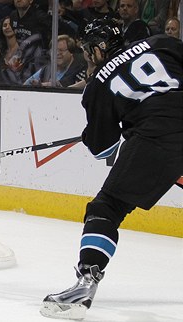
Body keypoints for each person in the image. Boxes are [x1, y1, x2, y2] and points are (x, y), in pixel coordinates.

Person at [40, 18, 183, 320]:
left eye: (89, 50)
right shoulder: (163, 43)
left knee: (106, 207)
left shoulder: (98, 84)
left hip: (157, 137)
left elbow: (104, 149)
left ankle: (85, 282)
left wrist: (91, 134)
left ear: (98, 48)